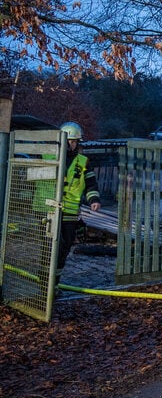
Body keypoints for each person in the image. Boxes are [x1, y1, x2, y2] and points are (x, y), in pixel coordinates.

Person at [34, 122, 101, 284]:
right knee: (48, 246)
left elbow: (91, 184)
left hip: (69, 211)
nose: (72, 144)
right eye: (70, 141)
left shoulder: (83, 162)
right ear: (61, 140)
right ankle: (44, 283)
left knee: (64, 246)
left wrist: (94, 200)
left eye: (75, 141)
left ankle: (54, 283)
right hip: (47, 208)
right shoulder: (47, 156)